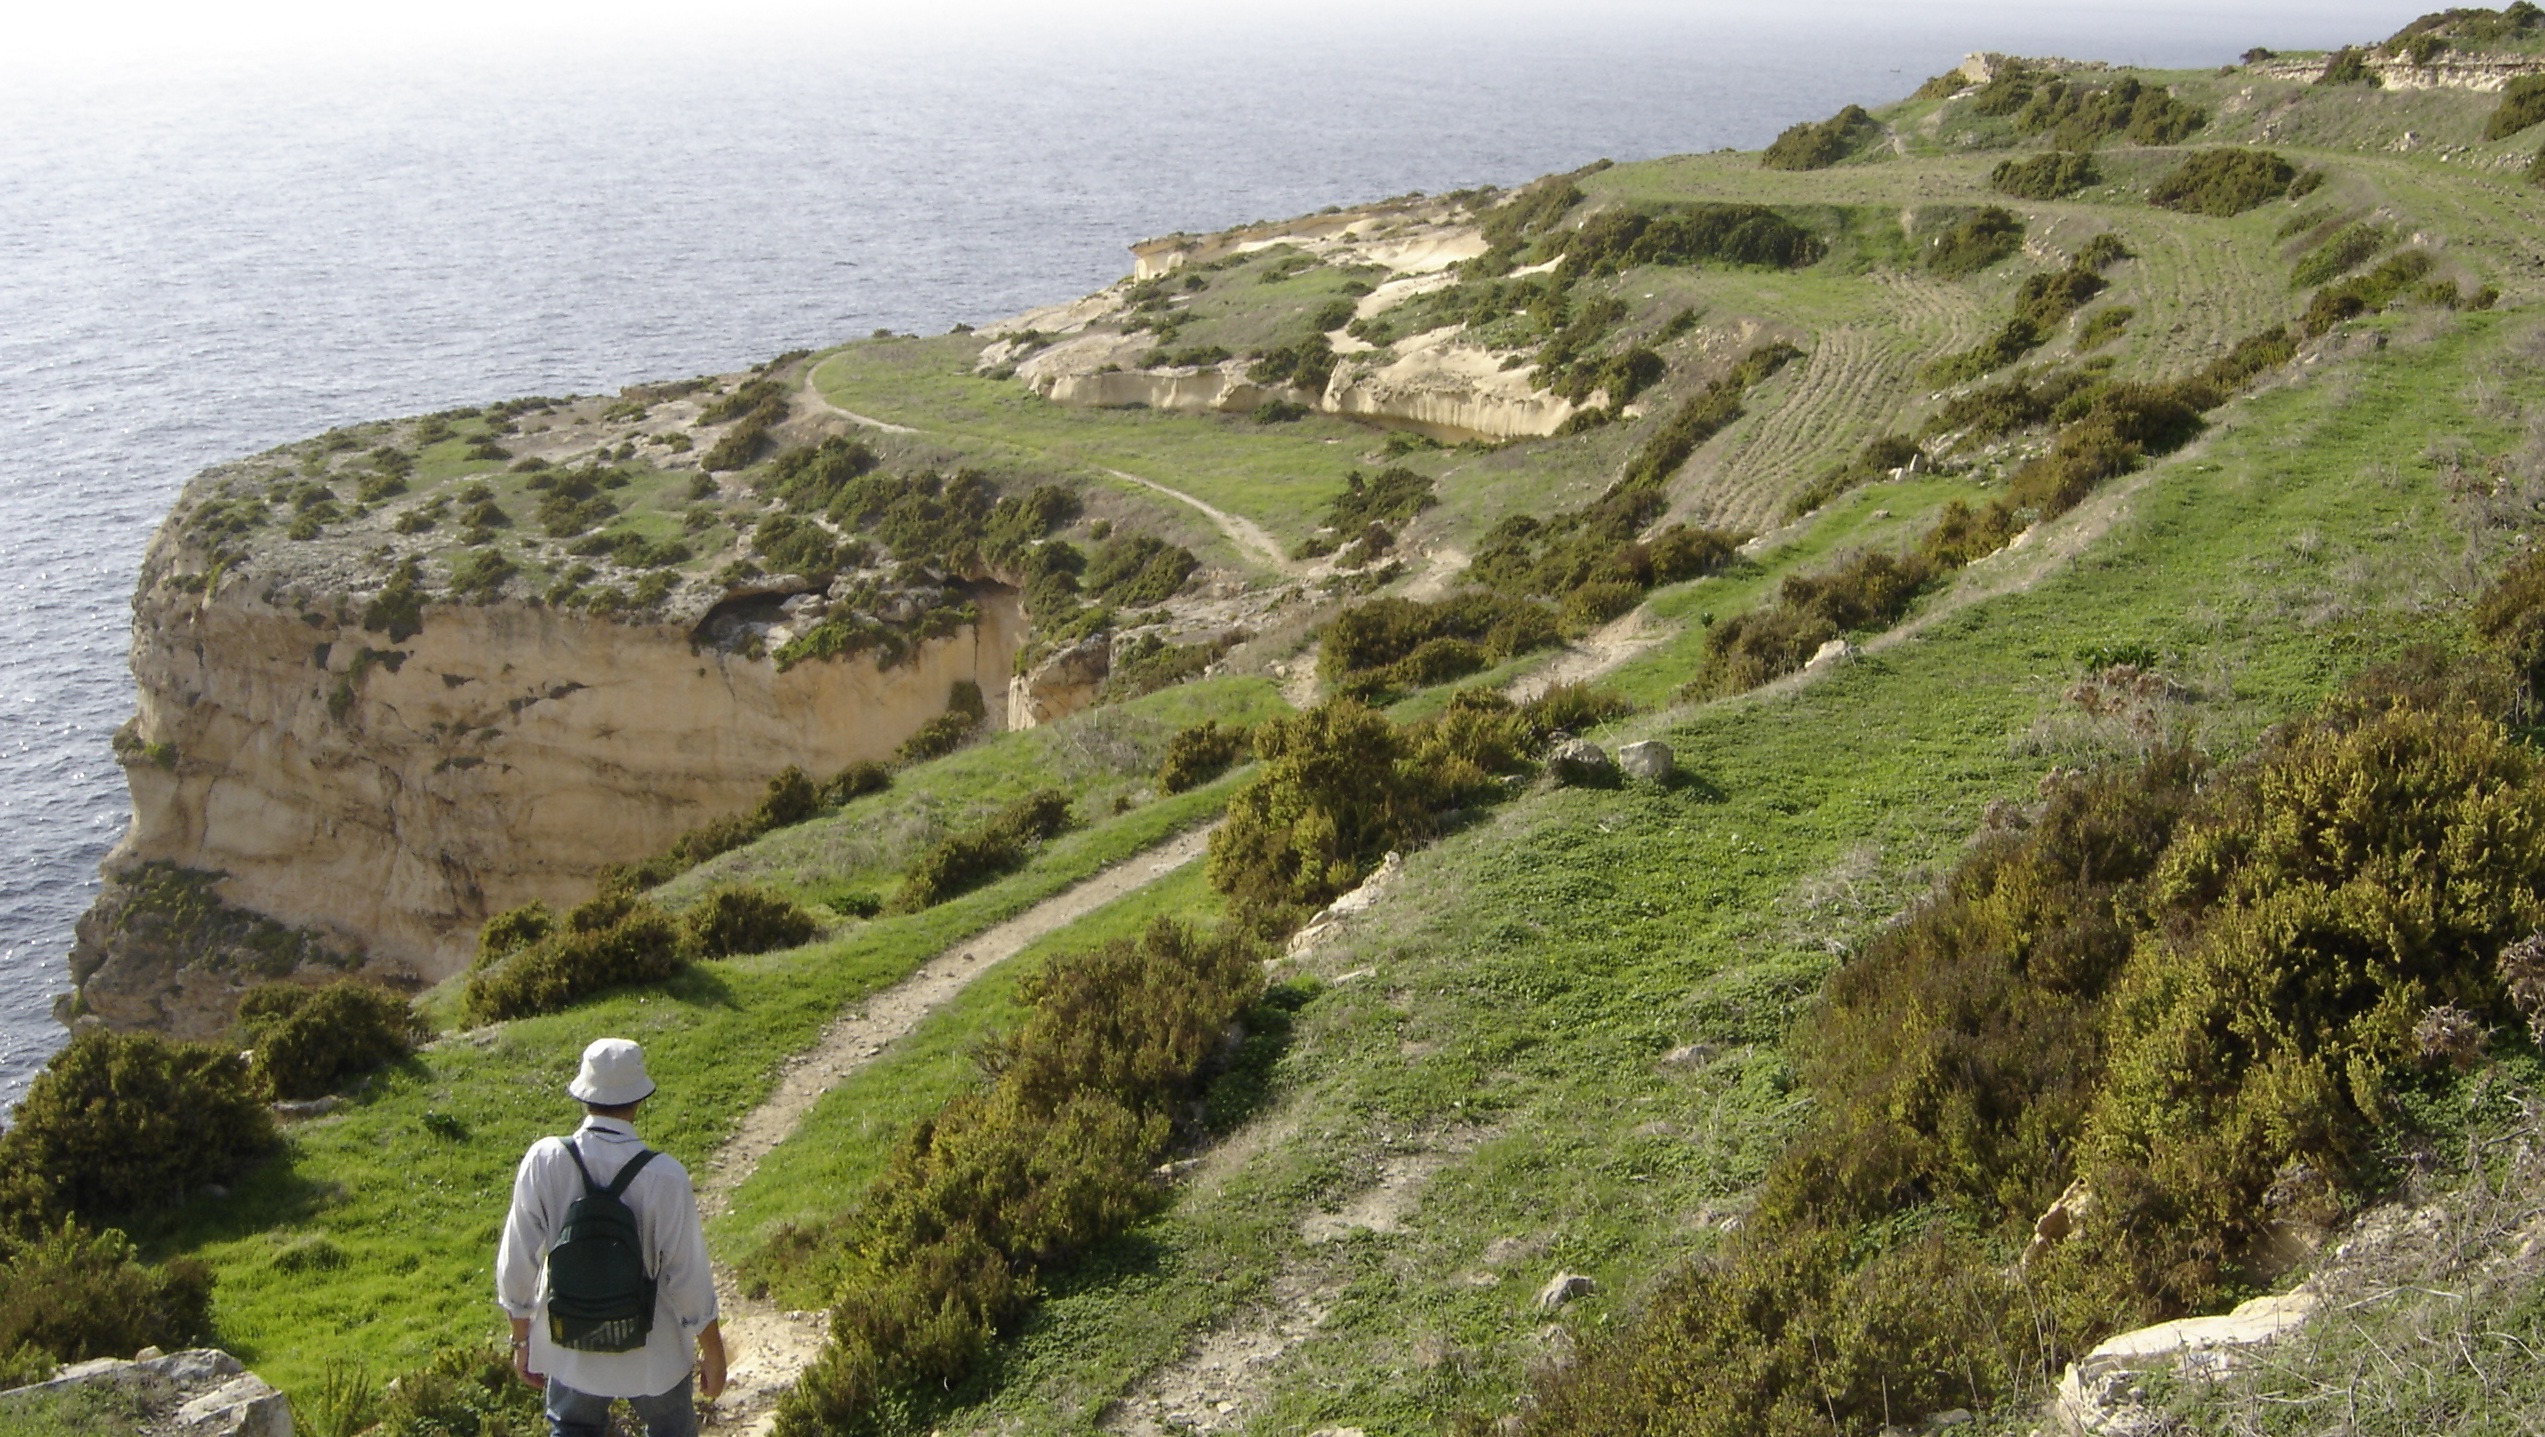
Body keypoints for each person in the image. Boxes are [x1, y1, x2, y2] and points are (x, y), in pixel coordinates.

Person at [498, 1037, 727, 1437]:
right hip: (653, 1354)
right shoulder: (665, 1175)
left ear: (583, 1094)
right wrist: (713, 1351)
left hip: (571, 1346)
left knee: (571, 1427)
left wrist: (521, 1340)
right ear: (639, 1099)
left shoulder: (545, 1159)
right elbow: (688, 1277)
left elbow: (517, 1261)